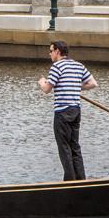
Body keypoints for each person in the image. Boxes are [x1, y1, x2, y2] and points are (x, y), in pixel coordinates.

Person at [38, 40, 96, 181]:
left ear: (57, 51)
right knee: (74, 146)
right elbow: (93, 83)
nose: (50, 54)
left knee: (64, 148)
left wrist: (42, 83)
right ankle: (81, 179)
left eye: (51, 51)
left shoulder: (57, 67)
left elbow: (47, 89)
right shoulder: (78, 65)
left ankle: (70, 181)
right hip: (76, 111)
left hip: (62, 112)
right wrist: (76, 86)